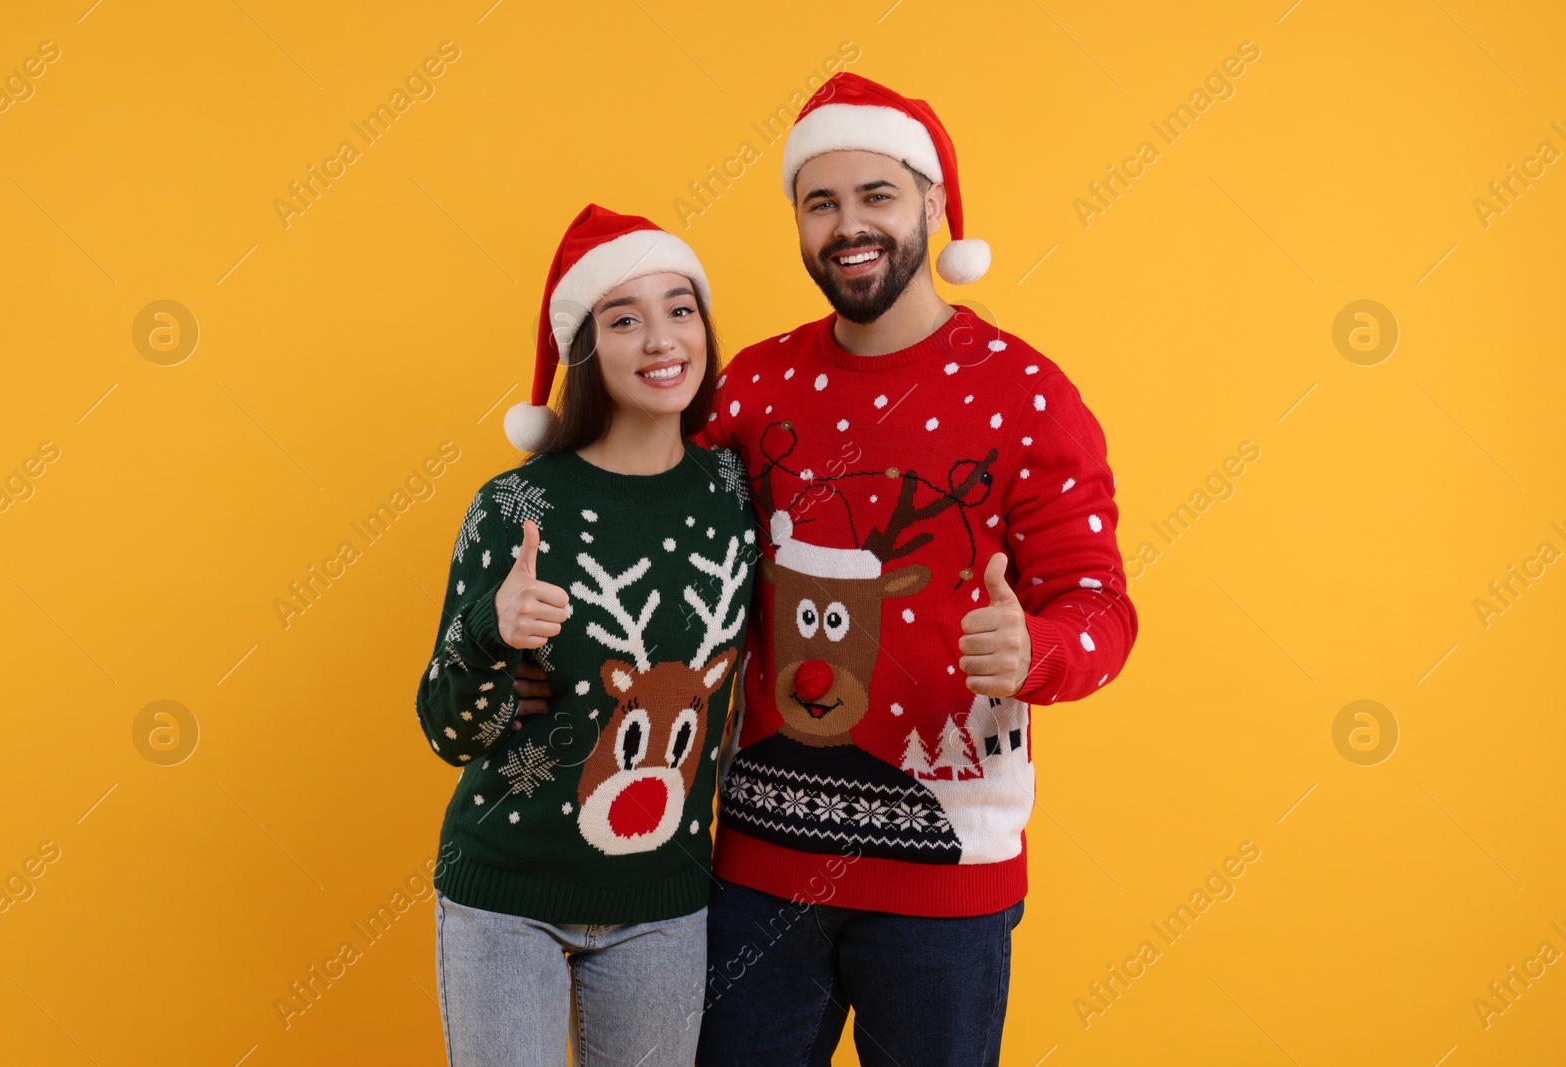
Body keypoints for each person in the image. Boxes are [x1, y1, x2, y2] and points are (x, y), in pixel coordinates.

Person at [688, 73, 1142, 1065]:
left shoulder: (1026, 394)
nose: (848, 225)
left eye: (877, 196)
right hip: (760, 864)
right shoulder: (752, 385)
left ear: (934, 204)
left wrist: (1037, 647)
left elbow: (1102, 608)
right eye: (821, 203)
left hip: (946, 882)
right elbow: (665, 535)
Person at [413, 204, 756, 1067]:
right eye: (624, 318)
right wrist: (493, 630)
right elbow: (446, 726)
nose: (660, 340)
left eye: (680, 309)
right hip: (506, 898)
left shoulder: (735, 489)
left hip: (664, 901)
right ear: (585, 349)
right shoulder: (513, 506)